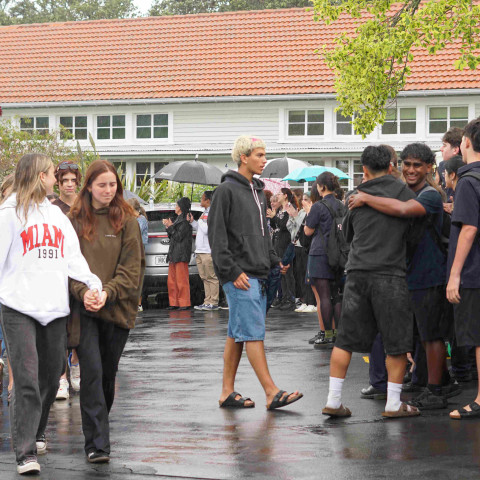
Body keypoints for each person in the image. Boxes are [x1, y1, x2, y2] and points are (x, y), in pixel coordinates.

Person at [0, 153, 103, 475]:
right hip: (18, 307)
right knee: (27, 379)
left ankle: (36, 429)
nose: (54, 180)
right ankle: (25, 452)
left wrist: (92, 282)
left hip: (54, 308)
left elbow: (72, 256)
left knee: (48, 378)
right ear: (38, 176)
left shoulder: (57, 216)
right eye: (50, 174)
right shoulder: (9, 213)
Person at [349, 143, 460, 410]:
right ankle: (431, 381)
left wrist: (365, 198)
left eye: (417, 165)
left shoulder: (431, 195)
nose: (410, 170)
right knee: (415, 336)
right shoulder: (402, 191)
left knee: (431, 336)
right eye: (406, 164)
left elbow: (404, 211)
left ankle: (435, 390)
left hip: (429, 274)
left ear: (429, 168)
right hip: (404, 274)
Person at [322, 145, 420, 419]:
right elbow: (412, 232)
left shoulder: (355, 196)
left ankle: (333, 400)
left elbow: (349, 234)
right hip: (390, 273)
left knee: (345, 340)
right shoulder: (402, 191)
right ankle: (393, 403)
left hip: (357, 272)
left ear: (364, 170)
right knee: (397, 343)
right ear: (392, 165)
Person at [209, 135, 303, 410]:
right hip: (239, 275)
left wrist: (274, 261)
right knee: (253, 332)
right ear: (244, 158)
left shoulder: (258, 192)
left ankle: (226, 391)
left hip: (258, 271)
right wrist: (230, 270)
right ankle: (271, 391)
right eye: (260, 155)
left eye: (264, 155)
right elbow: (217, 237)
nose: (264, 160)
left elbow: (264, 233)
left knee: (236, 333)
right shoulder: (225, 191)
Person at [68, 159, 145, 463]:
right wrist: (84, 292)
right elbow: (68, 266)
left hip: (117, 308)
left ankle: (98, 428)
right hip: (84, 308)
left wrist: (107, 292)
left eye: (113, 184)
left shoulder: (126, 219)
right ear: (88, 185)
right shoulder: (74, 220)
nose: (108, 190)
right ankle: (97, 444)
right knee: (92, 373)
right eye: (102, 184)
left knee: (107, 376)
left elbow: (131, 269)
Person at [446, 118, 480, 419]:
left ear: (465, 143)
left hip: (474, 272)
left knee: (478, 338)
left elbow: (469, 229)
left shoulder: (469, 181)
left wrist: (454, 274)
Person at [304, 172, 345, 349]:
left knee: (323, 296)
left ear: (321, 186)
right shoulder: (342, 206)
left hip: (320, 252)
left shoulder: (318, 206)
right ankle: (336, 334)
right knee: (336, 294)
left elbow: (307, 231)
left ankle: (327, 334)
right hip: (338, 254)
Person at [53, 161, 83, 400]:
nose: (69, 185)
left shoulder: (86, 205)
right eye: (65, 181)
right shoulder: (52, 207)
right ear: (58, 182)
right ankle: (61, 378)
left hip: (82, 271)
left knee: (81, 324)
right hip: (58, 273)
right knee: (61, 327)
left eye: (73, 180)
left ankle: (76, 367)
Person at [267, 188, 298, 311]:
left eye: (280, 194)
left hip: (287, 243)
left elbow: (285, 225)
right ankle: (283, 297)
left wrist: (275, 217)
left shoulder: (291, 207)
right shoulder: (280, 209)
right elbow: (276, 226)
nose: (278, 196)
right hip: (278, 242)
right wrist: (272, 217)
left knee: (287, 272)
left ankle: (290, 298)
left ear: (285, 196)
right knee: (281, 271)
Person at [162, 197, 193, 311]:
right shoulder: (179, 219)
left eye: (176, 205)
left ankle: (184, 302)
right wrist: (169, 226)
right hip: (174, 253)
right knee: (172, 281)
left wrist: (170, 227)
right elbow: (172, 236)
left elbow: (179, 237)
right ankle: (174, 302)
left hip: (180, 253)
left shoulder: (185, 220)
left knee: (181, 280)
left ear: (180, 207)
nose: (175, 207)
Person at [191, 191, 220, 311]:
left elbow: (208, 230)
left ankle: (213, 301)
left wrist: (200, 221)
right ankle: (207, 300)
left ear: (208, 200)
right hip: (200, 250)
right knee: (204, 277)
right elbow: (200, 229)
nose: (200, 201)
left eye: (202, 199)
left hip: (208, 250)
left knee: (211, 277)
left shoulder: (213, 212)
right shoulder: (204, 213)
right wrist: (193, 221)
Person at [126, 197, 148, 311]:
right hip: (132, 250)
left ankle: (138, 304)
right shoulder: (133, 219)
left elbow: (135, 232)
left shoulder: (141, 219)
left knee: (138, 276)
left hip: (139, 250)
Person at [435, 127, 463, 201]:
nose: (441, 149)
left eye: (444, 145)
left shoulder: (467, 168)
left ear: (455, 150)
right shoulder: (442, 166)